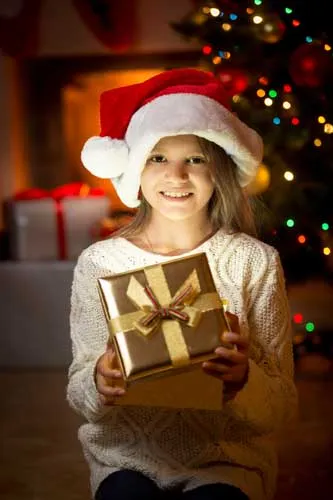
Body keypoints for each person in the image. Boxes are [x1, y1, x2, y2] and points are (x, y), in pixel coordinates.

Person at [67, 68, 298, 500]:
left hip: (227, 461)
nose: (176, 176)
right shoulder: (99, 263)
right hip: (126, 457)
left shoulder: (254, 262)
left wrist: (244, 380)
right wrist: (98, 381)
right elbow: (80, 391)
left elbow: (283, 404)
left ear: (220, 169)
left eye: (195, 158)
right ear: (134, 167)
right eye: (157, 157)